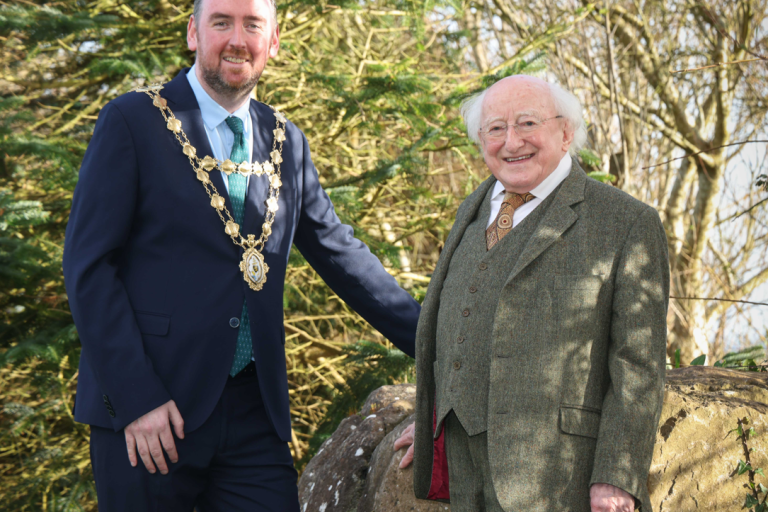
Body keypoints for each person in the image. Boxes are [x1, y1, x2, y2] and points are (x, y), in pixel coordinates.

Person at [62, 0, 420, 510]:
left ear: (272, 42)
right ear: (193, 32)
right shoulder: (133, 121)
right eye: (221, 22)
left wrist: (436, 341)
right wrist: (136, 397)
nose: (237, 39)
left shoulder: (286, 141)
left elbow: (343, 255)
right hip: (152, 409)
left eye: (253, 25)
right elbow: (89, 268)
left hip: (255, 414)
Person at [394, 75, 669, 512]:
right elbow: (455, 325)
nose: (511, 141)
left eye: (526, 124)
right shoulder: (472, 208)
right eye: (495, 128)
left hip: (559, 481)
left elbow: (638, 366)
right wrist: (433, 415)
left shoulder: (626, 222)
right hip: (465, 473)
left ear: (566, 132)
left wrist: (616, 476)